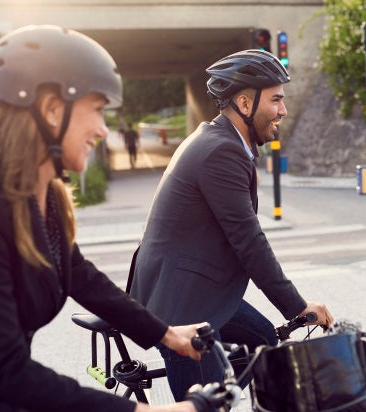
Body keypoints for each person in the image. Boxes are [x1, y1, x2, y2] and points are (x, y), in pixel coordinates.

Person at [0, 25, 215, 412]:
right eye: (96, 110)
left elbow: (79, 275)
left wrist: (166, 335)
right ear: (51, 109)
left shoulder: (45, 198)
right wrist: (145, 411)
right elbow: (6, 371)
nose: (103, 129)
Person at [129, 49, 334, 401]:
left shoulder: (218, 141)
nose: (283, 110)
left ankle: (227, 396)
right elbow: (249, 240)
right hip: (182, 307)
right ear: (244, 102)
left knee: (265, 343)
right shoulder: (220, 152)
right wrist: (297, 306)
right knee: (206, 405)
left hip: (194, 290)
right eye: (276, 100)